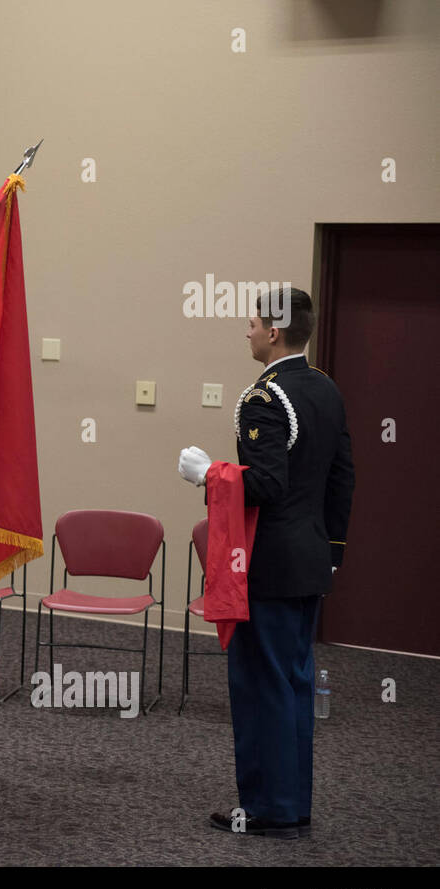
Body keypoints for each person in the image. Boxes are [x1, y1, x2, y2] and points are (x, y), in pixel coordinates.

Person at [177, 286, 354, 839]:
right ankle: (291, 804)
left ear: (274, 331)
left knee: (262, 686)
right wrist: (332, 553)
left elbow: (269, 487)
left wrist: (208, 474)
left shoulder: (264, 398)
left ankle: (268, 809)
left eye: (251, 322)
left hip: (269, 565)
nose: (246, 331)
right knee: (294, 683)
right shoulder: (326, 388)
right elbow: (343, 476)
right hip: (309, 560)